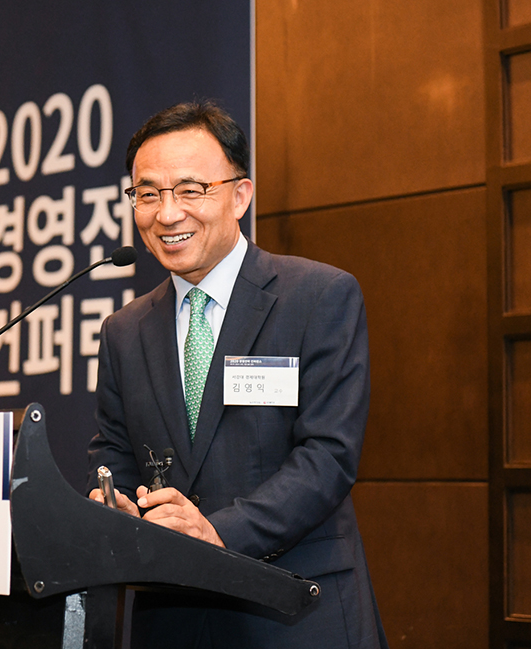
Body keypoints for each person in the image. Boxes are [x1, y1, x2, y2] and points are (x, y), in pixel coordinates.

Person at [87, 101, 389, 649]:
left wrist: (217, 532)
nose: (167, 213)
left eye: (190, 189)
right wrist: (115, 502)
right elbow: (113, 449)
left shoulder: (318, 296)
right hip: (171, 617)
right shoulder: (123, 331)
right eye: (148, 194)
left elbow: (329, 455)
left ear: (240, 195)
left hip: (293, 609)